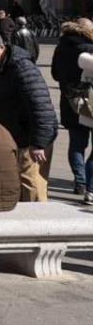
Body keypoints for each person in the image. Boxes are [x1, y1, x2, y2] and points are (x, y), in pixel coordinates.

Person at [0, 30, 58, 201]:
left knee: (32, 187)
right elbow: (2, 102)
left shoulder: (21, 67)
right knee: (21, 185)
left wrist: (39, 143)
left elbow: (41, 105)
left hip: (31, 139)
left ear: (1, 47)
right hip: (17, 135)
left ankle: (39, 225)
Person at [51, 18, 93, 199]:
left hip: (70, 102)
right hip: (91, 102)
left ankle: (80, 181)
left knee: (76, 143)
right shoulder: (89, 48)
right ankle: (90, 186)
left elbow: (54, 74)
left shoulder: (60, 47)